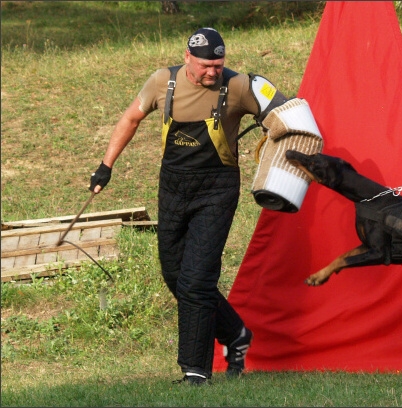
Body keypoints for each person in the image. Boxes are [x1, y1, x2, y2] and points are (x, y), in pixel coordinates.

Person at [89, 27, 288, 385]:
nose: (213, 72)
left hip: (217, 189)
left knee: (196, 280)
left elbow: (283, 113)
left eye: (218, 64)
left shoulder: (237, 86)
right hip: (173, 188)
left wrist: (275, 133)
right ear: (187, 59)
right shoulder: (162, 83)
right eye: (205, 65)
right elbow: (130, 119)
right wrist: (106, 165)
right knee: (176, 276)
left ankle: (196, 371)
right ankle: (235, 333)